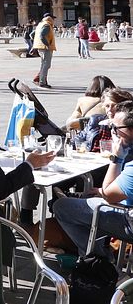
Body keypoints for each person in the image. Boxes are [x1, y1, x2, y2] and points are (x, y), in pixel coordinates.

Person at [54, 98, 133, 257]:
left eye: (116, 128)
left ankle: (98, 261)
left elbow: (108, 195)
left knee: (62, 206)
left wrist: (117, 158)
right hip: (123, 204)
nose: (113, 133)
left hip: (128, 220)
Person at [32, 13, 57, 88]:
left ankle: (38, 79)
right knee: (46, 65)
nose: (54, 20)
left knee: (44, 65)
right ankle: (42, 82)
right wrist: (47, 44)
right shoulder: (47, 25)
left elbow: (32, 35)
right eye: (53, 18)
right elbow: (42, 35)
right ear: (50, 19)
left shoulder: (40, 24)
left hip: (40, 47)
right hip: (45, 48)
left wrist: (37, 42)